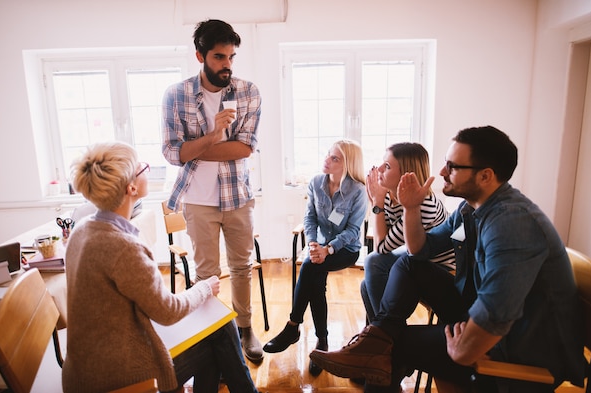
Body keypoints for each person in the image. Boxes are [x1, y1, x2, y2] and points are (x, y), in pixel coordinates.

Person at [310, 126, 586, 392]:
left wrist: (463, 351)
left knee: (390, 349)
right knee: (408, 264)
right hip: (479, 316)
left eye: (453, 167)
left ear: (485, 176)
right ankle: (377, 336)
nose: (442, 172)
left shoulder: (512, 223)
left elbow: (497, 315)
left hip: (513, 349)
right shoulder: (471, 208)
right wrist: (411, 207)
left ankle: (374, 343)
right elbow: (420, 250)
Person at [62, 142, 259, 393]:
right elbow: (168, 312)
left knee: (218, 331)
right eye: (142, 167)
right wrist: (204, 287)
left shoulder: (83, 229)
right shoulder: (122, 246)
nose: (147, 169)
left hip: (85, 371)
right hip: (119, 377)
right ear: (131, 187)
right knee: (220, 331)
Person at [161, 19, 263, 362]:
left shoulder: (249, 92)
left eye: (232, 57)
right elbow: (172, 153)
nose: (227, 65)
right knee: (206, 275)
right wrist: (215, 136)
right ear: (200, 56)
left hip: (238, 197)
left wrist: (196, 147)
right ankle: (215, 337)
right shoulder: (175, 95)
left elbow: (245, 148)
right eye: (220, 57)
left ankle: (245, 329)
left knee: (241, 268)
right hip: (197, 202)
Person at [263, 139, 368, 376]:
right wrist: (312, 243)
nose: (327, 160)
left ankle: (293, 327)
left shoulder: (358, 191)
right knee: (314, 273)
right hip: (318, 246)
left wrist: (328, 249)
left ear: (348, 164)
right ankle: (322, 343)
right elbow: (309, 218)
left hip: (346, 250)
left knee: (311, 268)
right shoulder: (316, 183)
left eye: (335, 158)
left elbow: (353, 231)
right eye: (328, 155)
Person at [361, 142, 454, 322]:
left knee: (373, 261)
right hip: (417, 255)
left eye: (387, 166)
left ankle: (386, 335)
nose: (379, 169)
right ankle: (383, 338)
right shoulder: (390, 195)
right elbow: (384, 241)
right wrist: (379, 203)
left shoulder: (424, 204)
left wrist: (377, 204)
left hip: (439, 265)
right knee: (366, 285)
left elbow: (381, 247)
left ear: (405, 174)